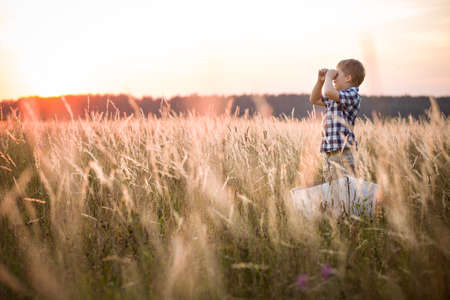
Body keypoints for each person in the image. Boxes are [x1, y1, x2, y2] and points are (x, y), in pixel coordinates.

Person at [309, 59, 365, 184]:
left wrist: (328, 76)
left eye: (336, 74)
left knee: (344, 190)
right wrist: (320, 81)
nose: (333, 78)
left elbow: (328, 91)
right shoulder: (335, 97)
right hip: (329, 152)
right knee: (333, 192)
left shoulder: (352, 94)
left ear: (348, 78)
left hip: (343, 153)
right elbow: (314, 99)